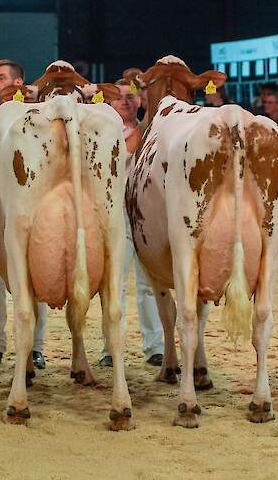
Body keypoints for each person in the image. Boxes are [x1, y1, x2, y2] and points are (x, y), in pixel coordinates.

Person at [0, 58, 48, 371]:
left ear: (19, 83)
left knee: (35, 281)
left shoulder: (38, 116)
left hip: (33, 208)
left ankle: (35, 346)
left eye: (1, 77)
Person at [98, 80, 165, 367]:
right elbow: (119, 157)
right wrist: (142, 130)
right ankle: (111, 348)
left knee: (151, 283)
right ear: (109, 103)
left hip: (147, 213)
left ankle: (156, 347)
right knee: (115, 283)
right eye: (118, 97)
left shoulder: (155, 134)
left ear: (139, 101)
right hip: (117, 212)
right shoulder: (106, 131)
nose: (125, 102)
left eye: (130, 97)